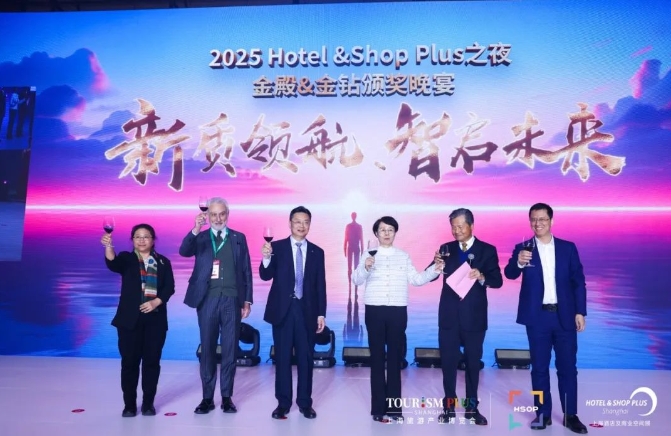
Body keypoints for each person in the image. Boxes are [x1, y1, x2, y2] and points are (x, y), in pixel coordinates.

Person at [504, 203, 587, 434]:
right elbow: (509, 273)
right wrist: (519, 262)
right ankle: (542, 414)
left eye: (542, 219)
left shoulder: (567, 248)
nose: (537, 223)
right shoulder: (523, 248)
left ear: (551, 221)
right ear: (529, 221)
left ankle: (571, 415)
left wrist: (580, 311)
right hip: (537, 318)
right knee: (539, 368)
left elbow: (578, 282)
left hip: (564, 317)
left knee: (568, 368)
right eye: (533, 219)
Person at [352, 216, 444, 422]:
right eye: (382, 230)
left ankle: (394, 409)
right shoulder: (368, 254)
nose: (386, 233)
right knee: (377, 359)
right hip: (374, 310)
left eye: (390, 230)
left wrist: (435, 269)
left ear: (395, 233)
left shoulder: (403, 256)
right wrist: (365, 267)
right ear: (376, 233)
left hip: (397, 311)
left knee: (395, 359)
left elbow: (416, 279)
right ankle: (378, 409)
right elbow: (356, 280)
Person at [179, 197, 253, 415]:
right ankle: (207, 398)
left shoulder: (239, 238)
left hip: (232, 300)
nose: (218, 218)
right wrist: (195, 229)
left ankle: (227, 397)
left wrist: (247, 300)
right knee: (208, 350)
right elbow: (184, 251)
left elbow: (246, 270)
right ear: (208, 215)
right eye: (213, 214)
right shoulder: (201, 237)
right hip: (207, 300)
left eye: (222, 214)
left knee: (230, 350)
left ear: (227, 214)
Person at [430, 208, 502, 425]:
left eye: (460, 226)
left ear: (471, 225)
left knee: (472, 364)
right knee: (448, 364)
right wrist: (436, 266)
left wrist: (481, 276)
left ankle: (472, 409)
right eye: (453, 227)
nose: (456, 231)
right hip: (449, 316)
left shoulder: (487, 250)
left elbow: (497, 281)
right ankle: (449, 408)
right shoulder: (446, 248)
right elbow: (431, 275)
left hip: (474, 317)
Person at [260, 206, 327, 420]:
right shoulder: (276, 247)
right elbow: (265, 275)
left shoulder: (317, 252)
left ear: (310, 225)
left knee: (306, 358)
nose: (301, 225)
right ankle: (283, 403)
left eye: (306, 222)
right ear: (290, 223)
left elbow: (320, 285)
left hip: (307, 312)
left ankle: (305, 403)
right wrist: (266, 258)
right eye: (297, 221)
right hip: (282, 311)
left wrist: (321, 313)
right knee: (282, 358)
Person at [102, 223, 175, 418]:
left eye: (146, 236)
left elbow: (169, 287)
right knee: (129, 363)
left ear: (153, 239)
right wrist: (108, 245)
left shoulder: (163, 262)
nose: (142, 240)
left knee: (152, 363)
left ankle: (148, 404)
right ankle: (129, 405)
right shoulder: (127, 259)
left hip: (155, 321)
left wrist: (156, 302)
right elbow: (113, 263)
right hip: (129, 321)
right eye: (137, 237)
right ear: (132, 240)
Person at [344, 211, 364, 282]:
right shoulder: (351, 226)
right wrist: (344, 248)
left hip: (353, 247)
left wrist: (362, 250)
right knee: (351, 267)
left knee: (354, 266)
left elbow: (361, 239)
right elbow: (346, 238)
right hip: (352, 247)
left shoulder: (356, 226)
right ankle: (351, 283)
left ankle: (352, 282)